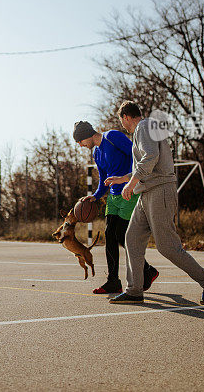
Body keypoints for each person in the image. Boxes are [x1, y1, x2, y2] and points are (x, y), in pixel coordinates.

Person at [105, 101, 204, 305]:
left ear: (126, 116)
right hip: (146, 192)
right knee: (132, 239)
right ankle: (134, 290)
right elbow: (144, 164)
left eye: (121, 121)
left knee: (167, 246)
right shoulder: (142, 131)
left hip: (160, 191)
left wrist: (131, 184)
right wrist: (123, 179)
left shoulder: (144, 126)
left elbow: (151, 157)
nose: (123, 125)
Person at [72, 120, 159, 295]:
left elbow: (137, 156)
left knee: (122, 235)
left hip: (129, 191)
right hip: (113, 197)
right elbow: (103, 179)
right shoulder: (96, 153)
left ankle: (147, 271)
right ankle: (113, 281)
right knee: (110, 236)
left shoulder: (112, 137)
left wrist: (129, 180)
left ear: (85, 136)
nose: (81, 145)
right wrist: (95, 196)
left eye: (80, 141)